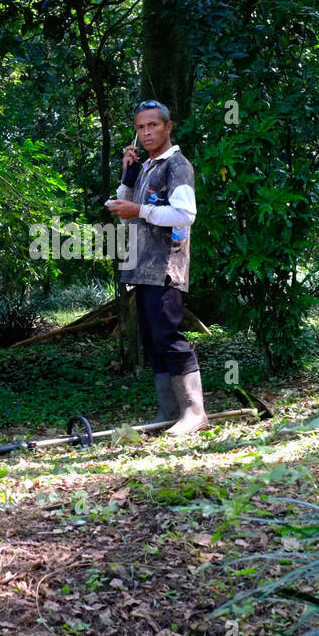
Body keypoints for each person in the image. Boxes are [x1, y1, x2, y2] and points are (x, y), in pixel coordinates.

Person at [104, 99, 208, 436]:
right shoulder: (147, 166)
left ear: (168, 127)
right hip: (142, 266)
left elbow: (184, 215)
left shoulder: (176, 166)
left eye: (153, 125)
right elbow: (124, 204)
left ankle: (194, 412)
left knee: (169, 336)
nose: (146, 132)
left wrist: (140, 211)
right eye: (140, 127)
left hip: (166, 265)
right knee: (152, 341)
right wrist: (128, 173)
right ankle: (169, 412)